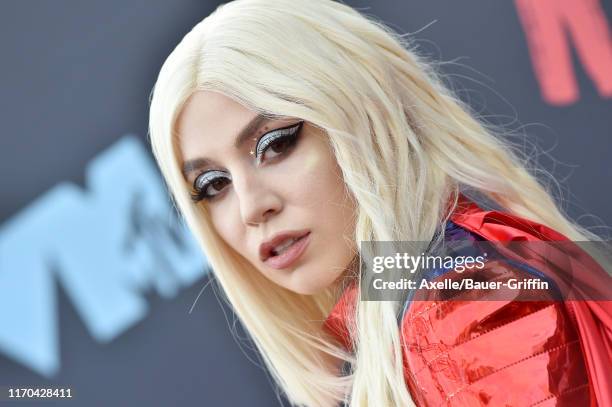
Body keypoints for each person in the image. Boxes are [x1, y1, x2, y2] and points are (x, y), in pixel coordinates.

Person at [147, 0, 612, 405]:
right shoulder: (421, 295)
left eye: (275, 144)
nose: (251, 207)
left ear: (365, 117)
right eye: (213, 184)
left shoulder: (461, 302)